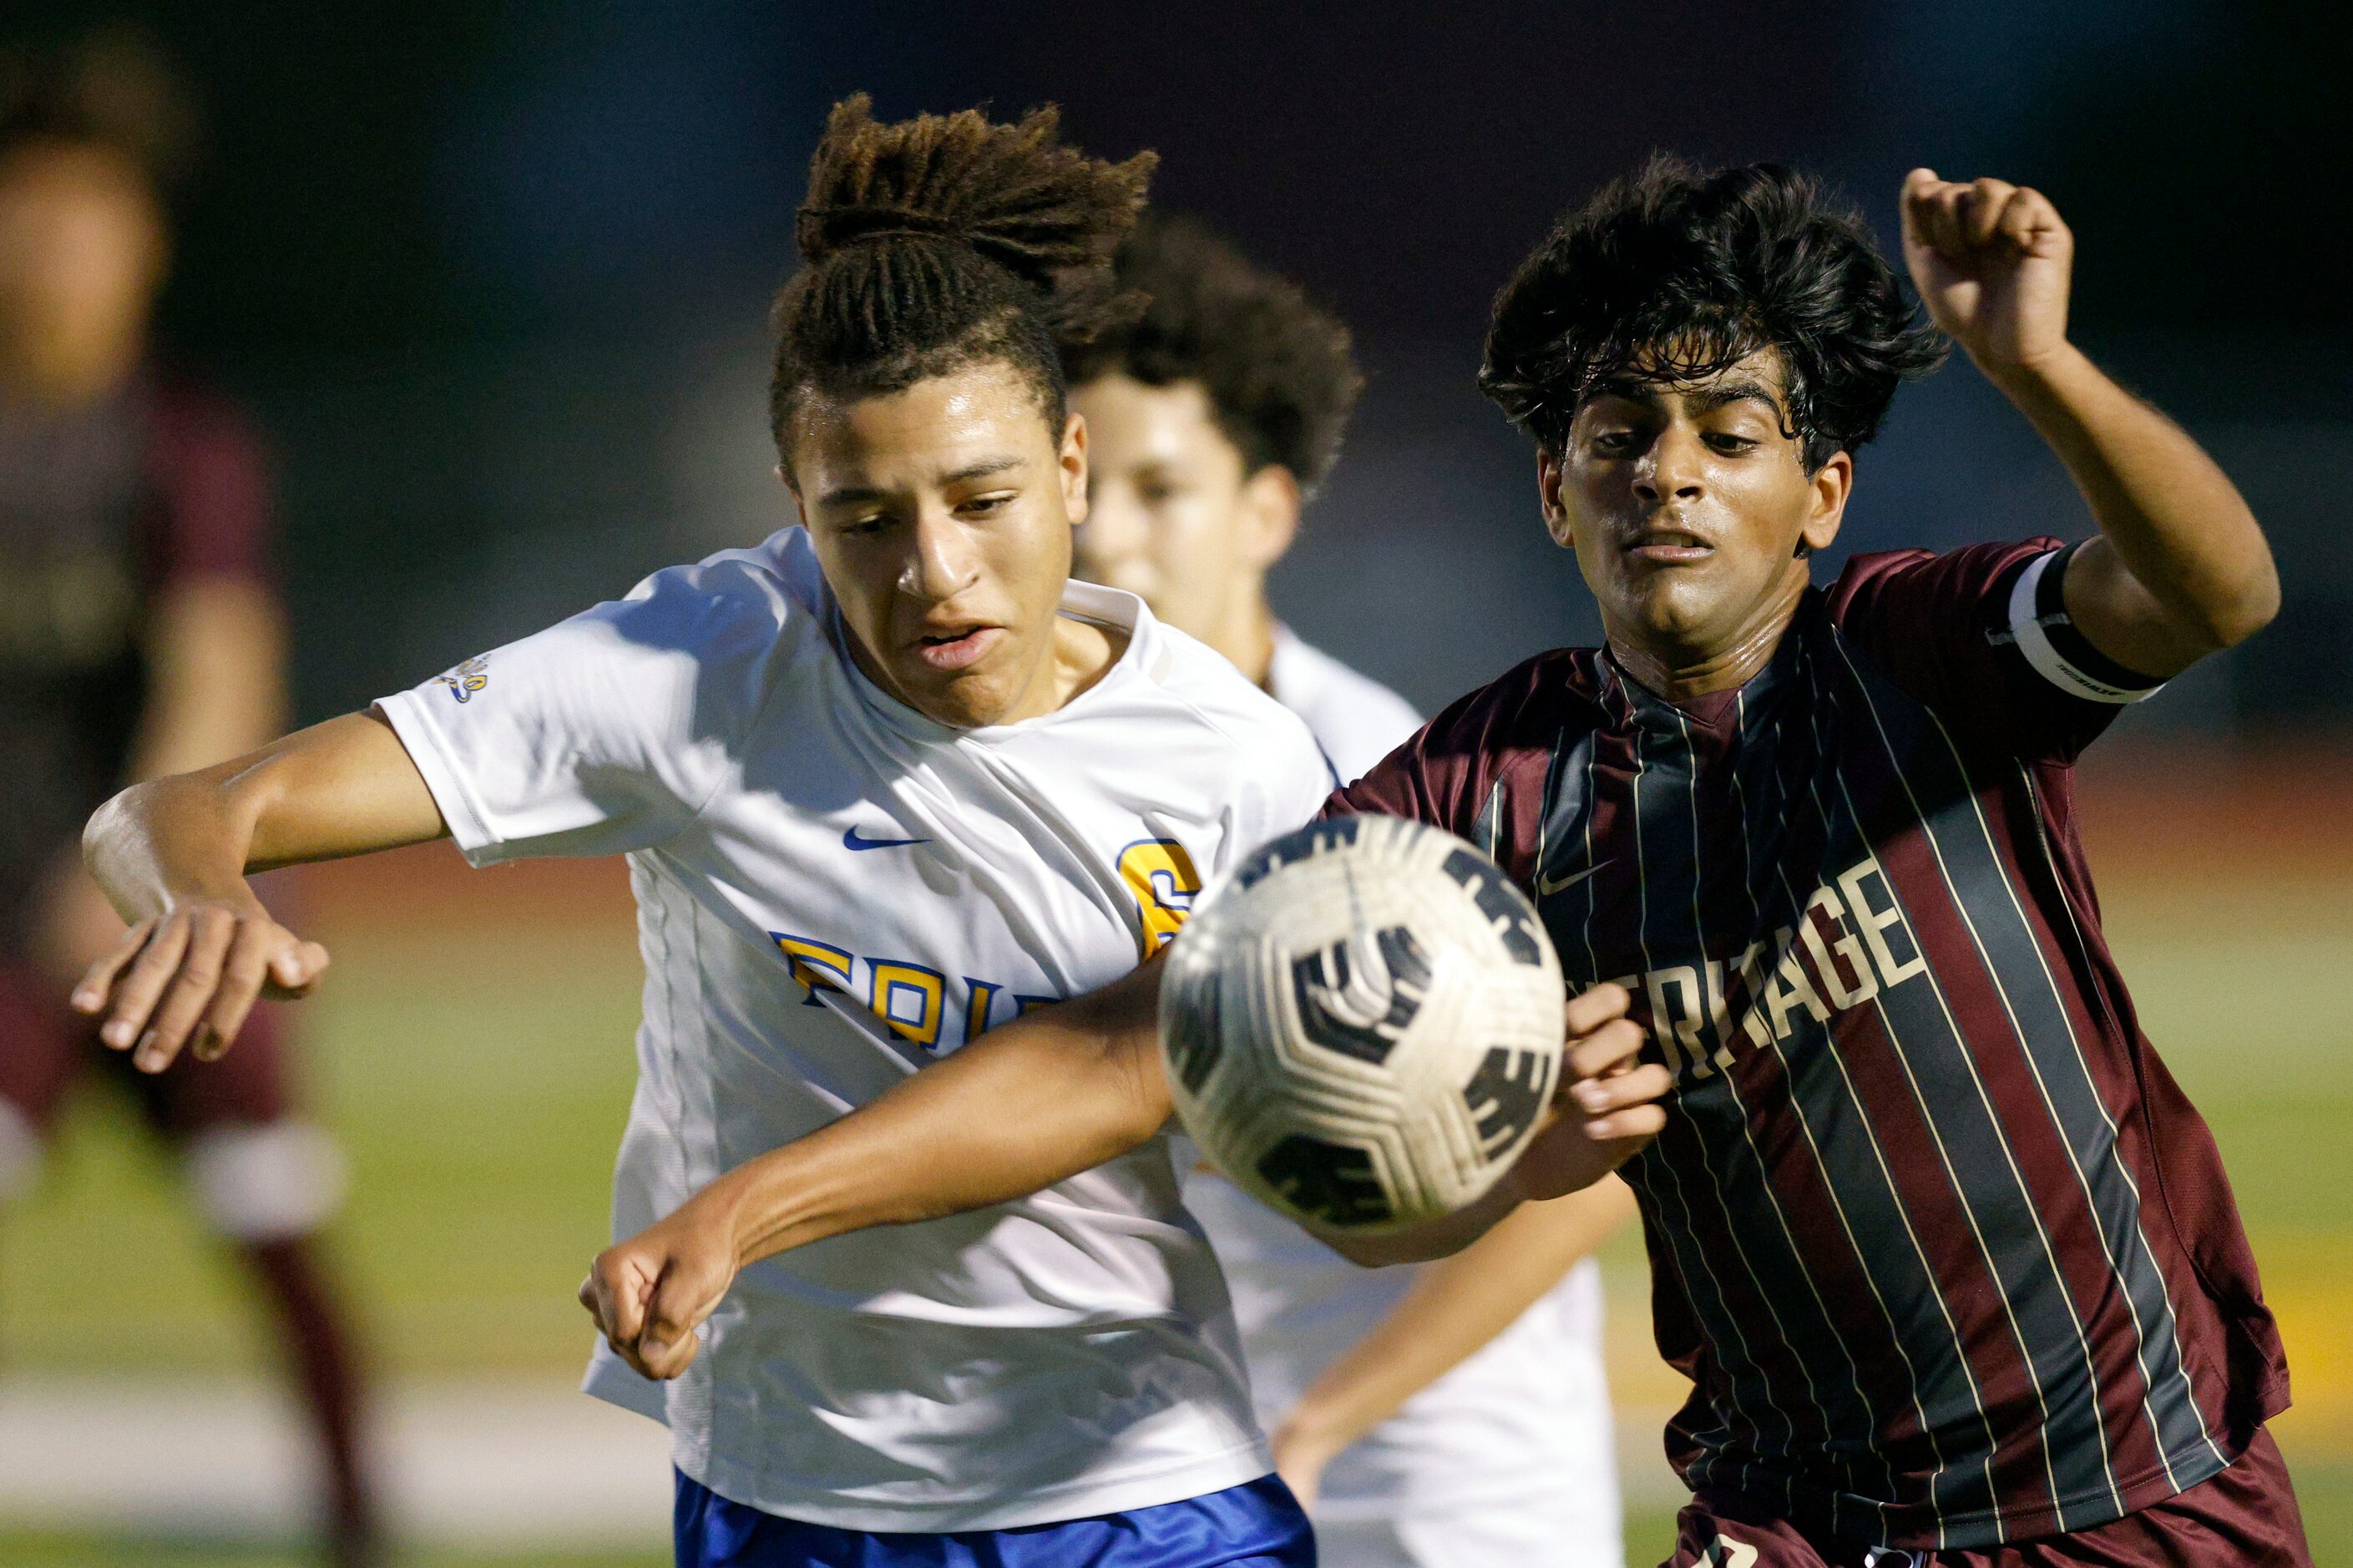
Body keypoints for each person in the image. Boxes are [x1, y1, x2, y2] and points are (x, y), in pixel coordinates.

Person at [497, 155, 2304, 1567]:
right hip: (1801, 1513)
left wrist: (2039, 368)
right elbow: (1197, 1062)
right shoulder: (1471, 793)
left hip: (2129, 1468)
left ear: (1816, 496)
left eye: (1726, 438)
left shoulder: (1914, 660)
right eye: (1615, 436)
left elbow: (2214, 592)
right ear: (1552, 489)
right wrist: (1518, 1154)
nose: (1664, 476)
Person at [67, 97, 1652, 1568]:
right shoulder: (693, 670)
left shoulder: (1234, 761)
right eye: (866, 520)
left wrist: (1506, 1162)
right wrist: (200, 887)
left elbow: (1173, 1100)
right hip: (789, 1491)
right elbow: (187, 805)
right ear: (794, 496)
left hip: (1136, 1486)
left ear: (1069, 469)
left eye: (982, 499)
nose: (935, 572)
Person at [1065, 213, 1632, 1566]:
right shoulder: (1053, 778)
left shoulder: (1390, 793)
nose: (1104, 535)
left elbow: (1597, 1164)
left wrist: (1320, 1424)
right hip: (1200, 1455)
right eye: (1075, 486)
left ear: (1266, 509)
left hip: (1438, 1483)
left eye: (1158, 489)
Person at [0, 38, 377, 1565]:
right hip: (6, 929)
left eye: (86, 212)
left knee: (276, 1225)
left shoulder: (185, 441)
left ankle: (361, 1523)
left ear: (143, 236)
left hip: (166, 918)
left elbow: (217, 674)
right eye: (26, 209)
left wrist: (131, 874)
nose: (53, 247)